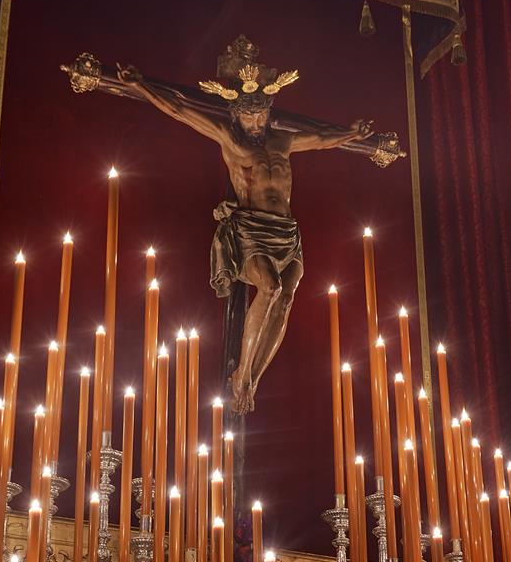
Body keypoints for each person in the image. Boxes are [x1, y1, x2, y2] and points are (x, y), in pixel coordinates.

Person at [118, 36, 373, 414]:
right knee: (268, 288)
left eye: (261, 115)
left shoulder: (283, 141)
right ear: (235, 114)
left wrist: (352, 134)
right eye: (248, 115)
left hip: (286, 231)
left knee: (285, 298)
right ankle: (240, 377)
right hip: (251, 230)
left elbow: (320, 139)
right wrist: (141, 85)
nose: (255, 122)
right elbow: (180, 110)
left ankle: (253, 375)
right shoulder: (230, 140)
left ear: (269, 112)